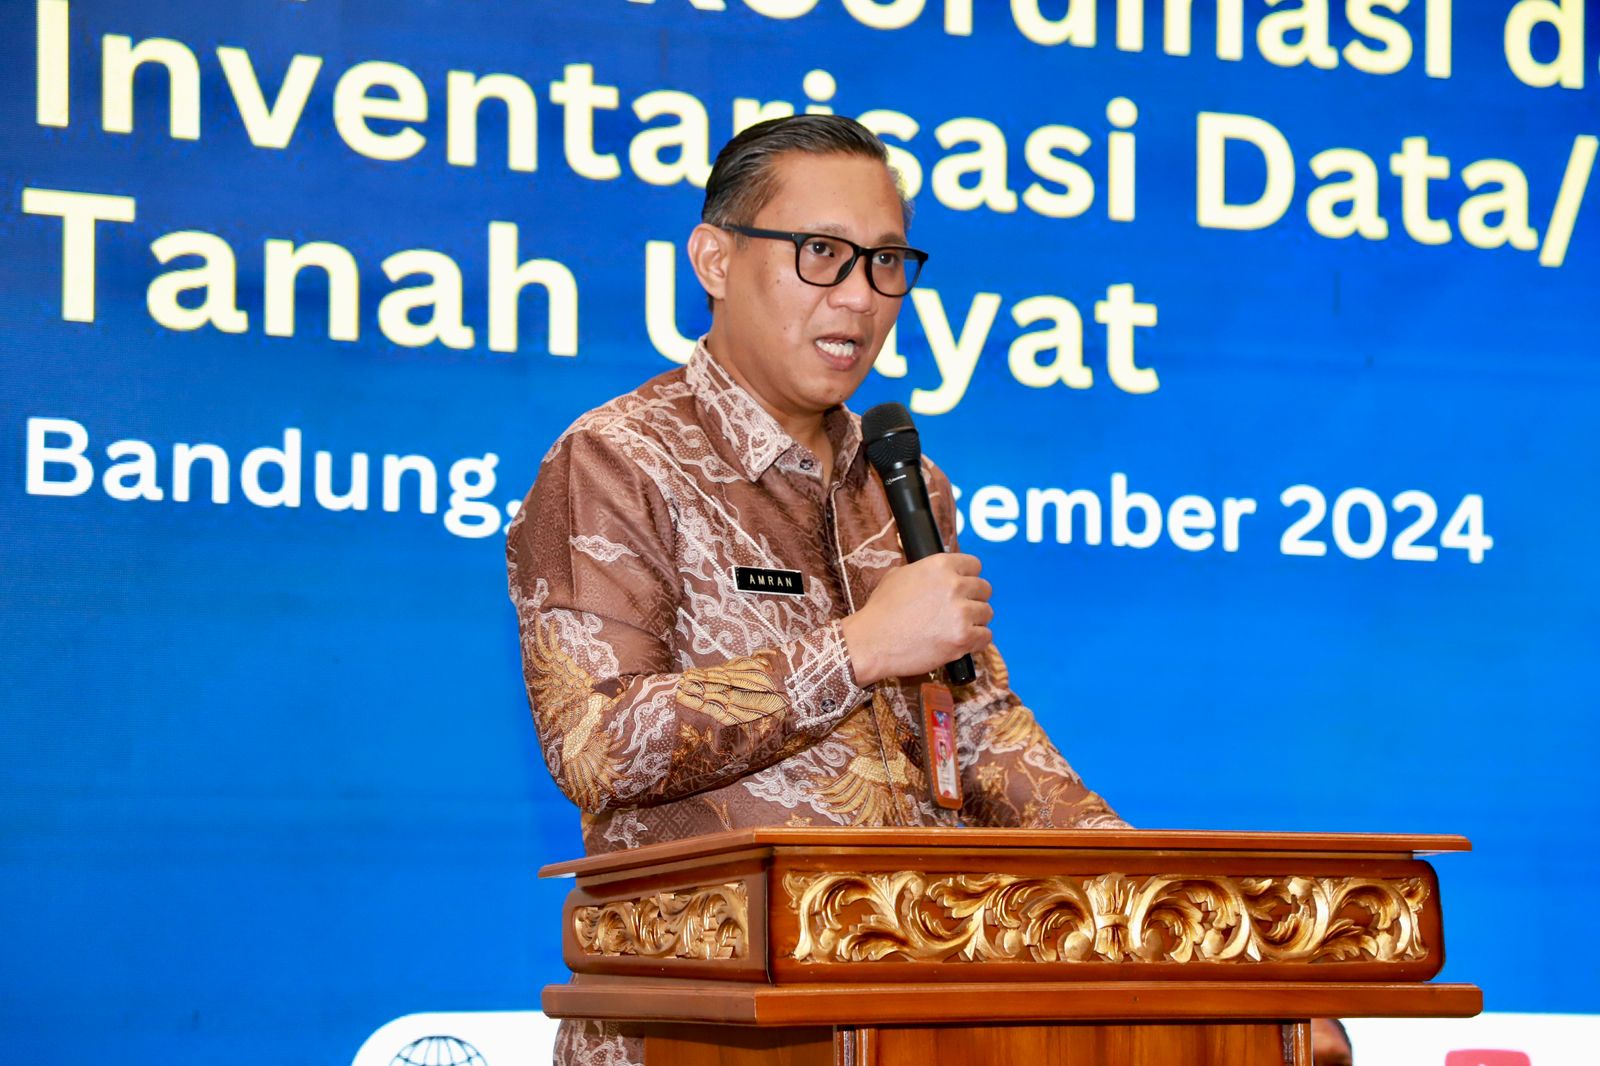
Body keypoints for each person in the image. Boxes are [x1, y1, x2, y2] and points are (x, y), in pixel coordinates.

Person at [506, 114, 1125, 1066]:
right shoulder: (617, 462)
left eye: (886, 262)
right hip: (703, 1026)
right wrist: (857, 650)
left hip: (910, 1013)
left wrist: (1154, 886)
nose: (861, 296)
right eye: (822, 254)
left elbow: (980, 729)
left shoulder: (907, 483)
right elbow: (594, 744)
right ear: (715, 260)